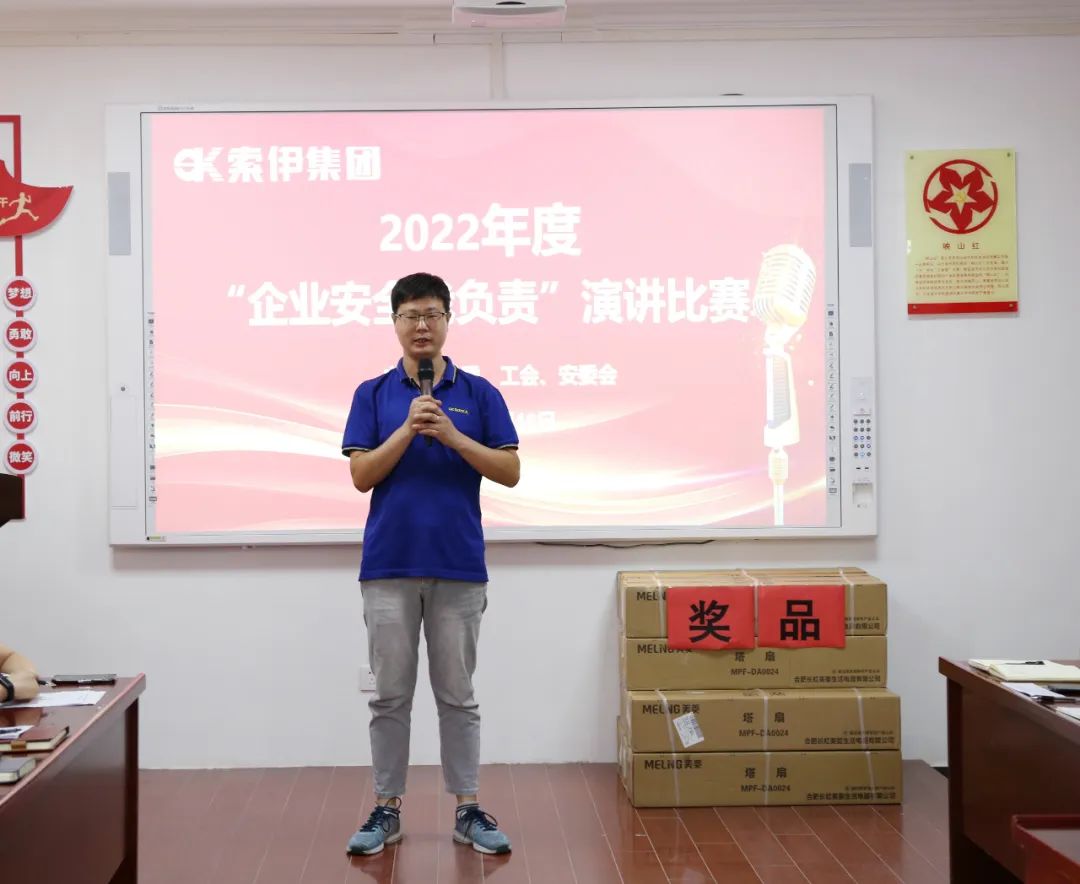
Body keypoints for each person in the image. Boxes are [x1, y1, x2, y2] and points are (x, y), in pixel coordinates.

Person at [341, 272, 520, 857]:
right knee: (389, 696)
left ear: (447, 320)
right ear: (395, 323)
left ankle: (467, 809)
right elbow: (361, 475)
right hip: (388, 566)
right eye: (411, 315)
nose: (422, 325)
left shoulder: (480, 393)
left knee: (458, 696)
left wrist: (452, 435)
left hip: (458, 565)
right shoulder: (372, 394)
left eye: (432, 314)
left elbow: (510, 471)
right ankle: (386, 808)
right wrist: (407, 430)